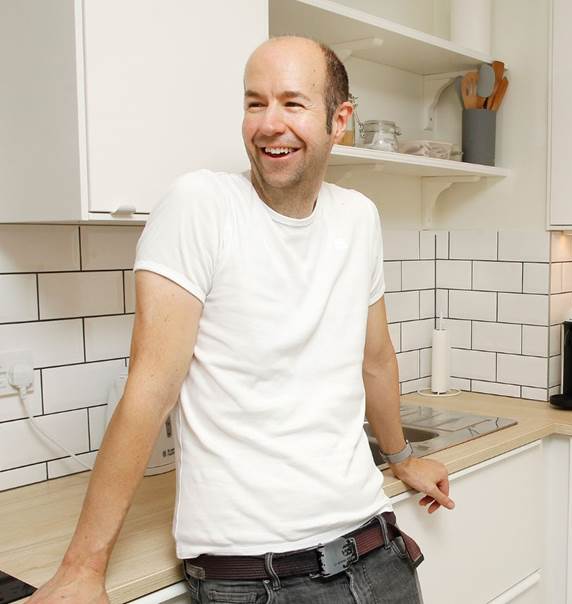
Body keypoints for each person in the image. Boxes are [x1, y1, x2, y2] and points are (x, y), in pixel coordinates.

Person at [30, 35, 454, 604]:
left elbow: (374, 360)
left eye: (292, 103)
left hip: (376, 553)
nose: (269, 124)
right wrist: (84, 567)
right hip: (257, 578)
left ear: (340, 120)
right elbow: (150, 389)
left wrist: (402, 458)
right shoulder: (199, 207)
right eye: (256, 103)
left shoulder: (358, 218)